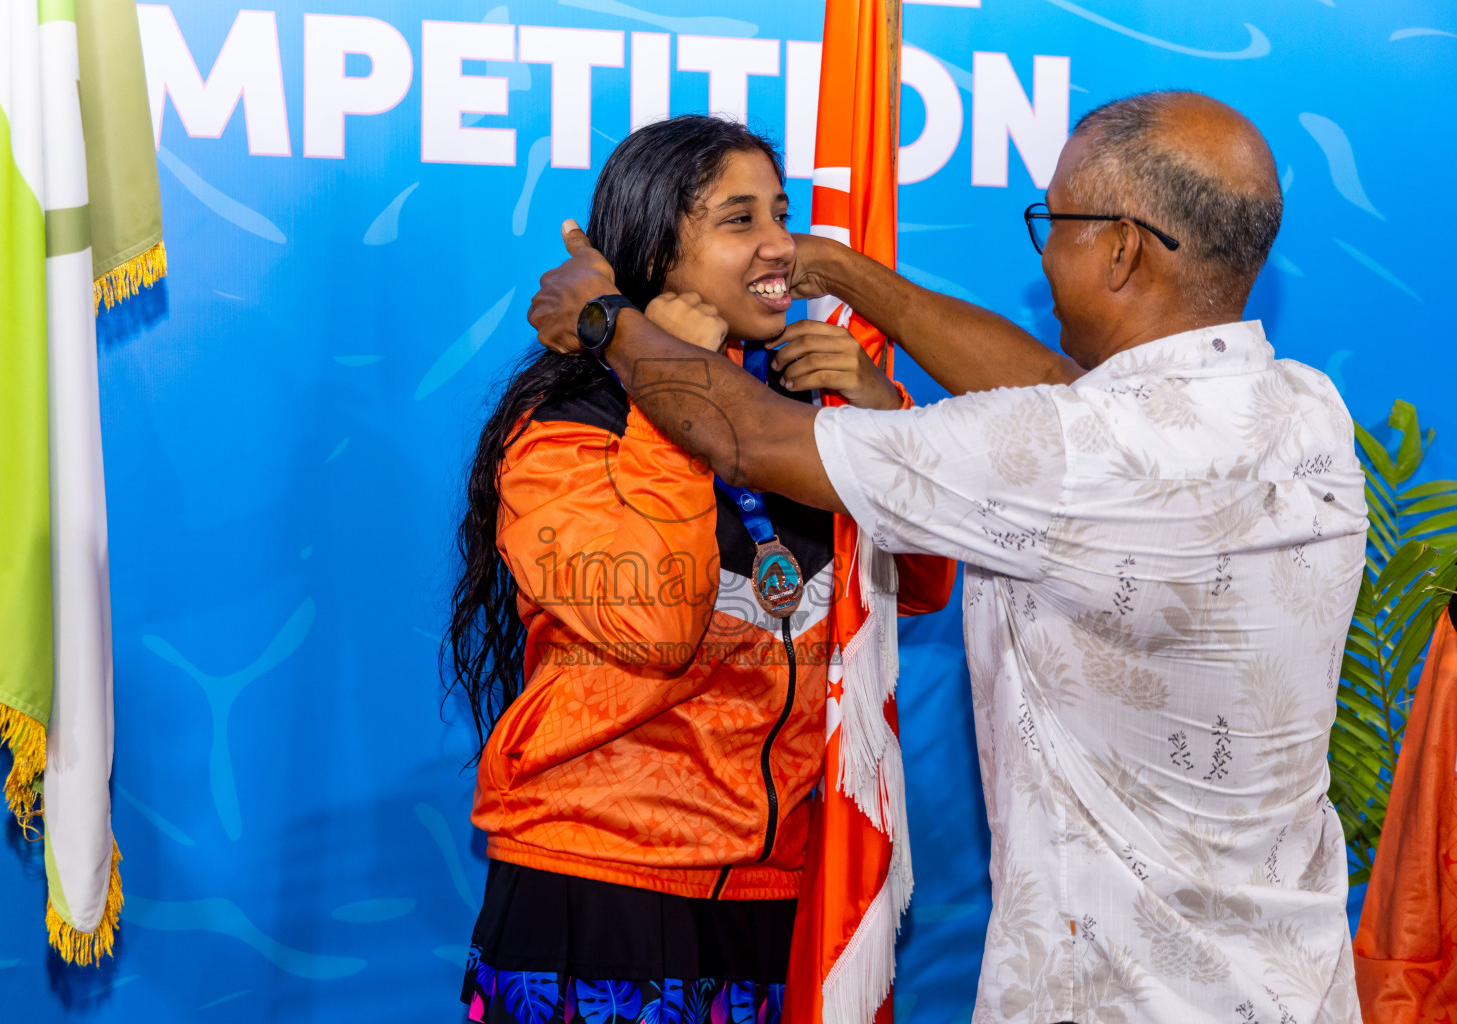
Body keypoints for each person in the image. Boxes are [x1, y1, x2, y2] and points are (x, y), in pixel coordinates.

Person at [528, 91, 1368, 1023]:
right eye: (743, 220)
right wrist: (843, 275)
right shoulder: (1308, 410)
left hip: (1111, 994)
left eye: (1054, 222)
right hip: (1293, 987)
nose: (774, 244)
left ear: (1123, 249)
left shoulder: (1067, 453)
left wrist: (607, 322)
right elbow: (1065, 399)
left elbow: (770, 453)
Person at [445, 114, 953, 1024]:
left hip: (771, 891)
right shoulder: (571, 428)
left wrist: (880, 419)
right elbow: (656, 626)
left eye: (783, 214)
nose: (780, 246)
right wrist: (666, 405)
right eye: (739, 219)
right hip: (597, 880)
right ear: (656, 251)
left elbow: (917, 584)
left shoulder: (797, 410)